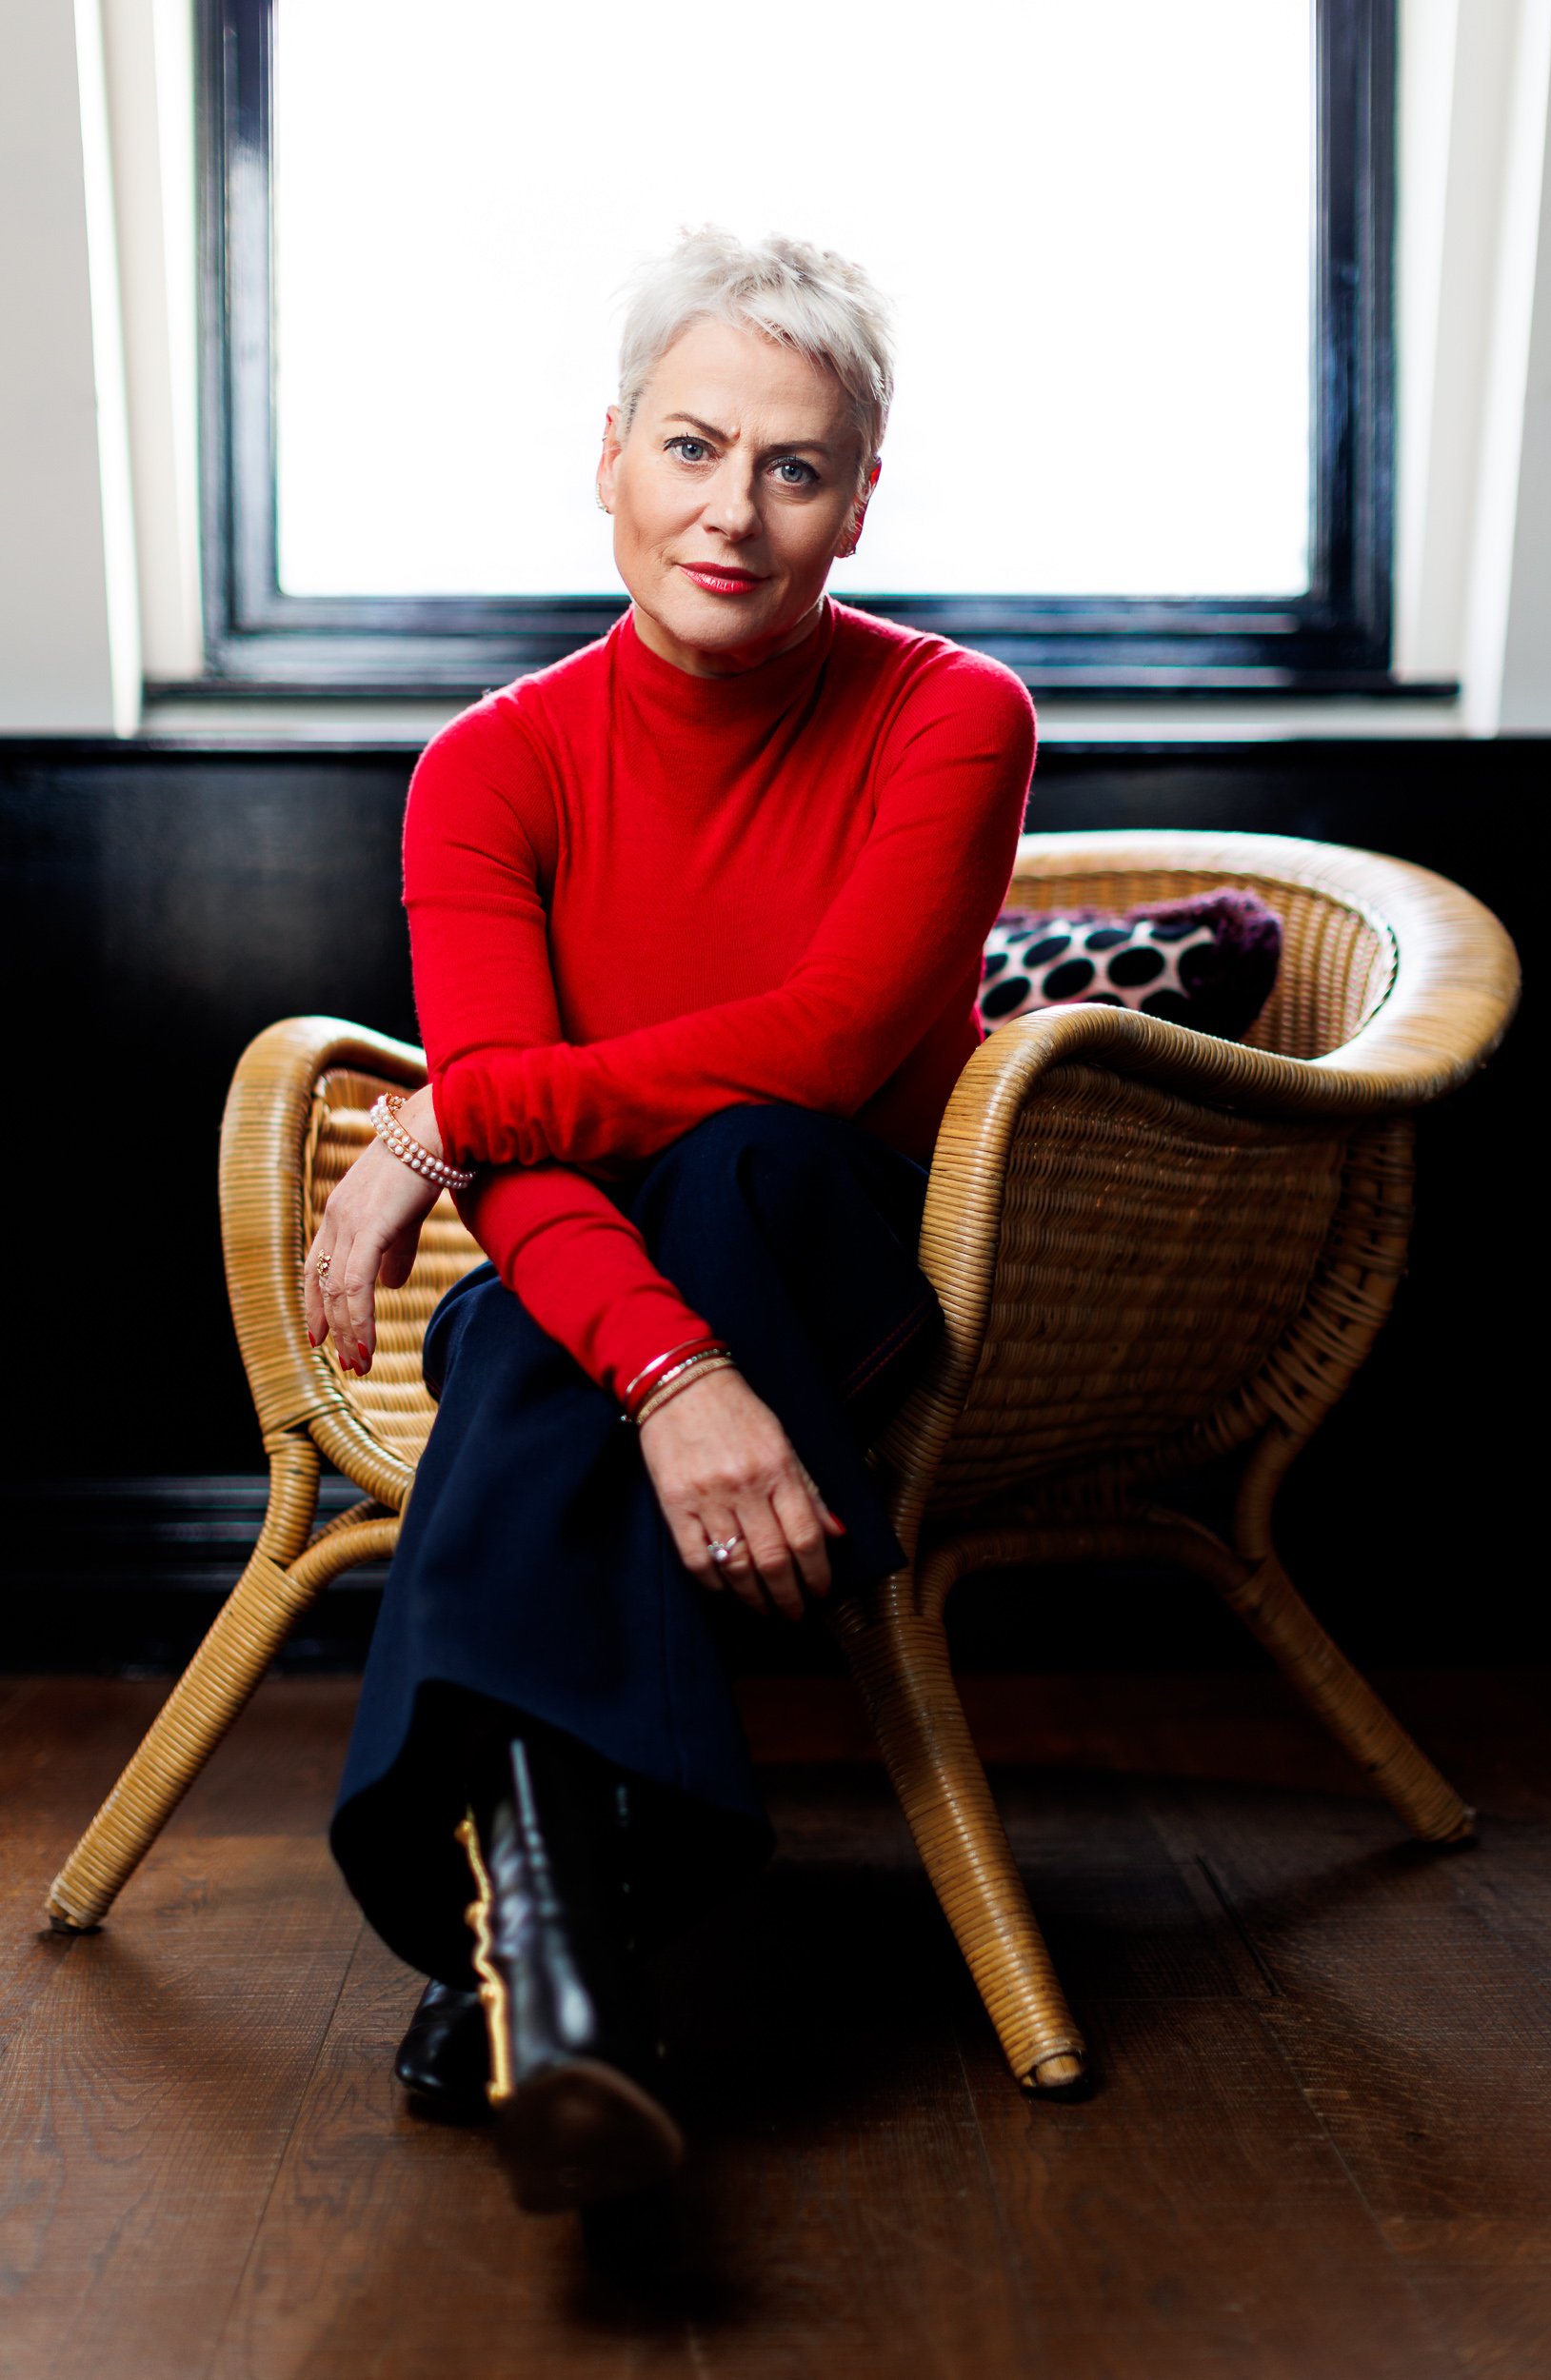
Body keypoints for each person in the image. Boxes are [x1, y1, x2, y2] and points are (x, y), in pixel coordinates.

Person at [303, 226, 1037, 2215]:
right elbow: (546, 1180)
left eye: (794, 466)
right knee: (543, 1312)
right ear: (612, 453)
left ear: (860, 498)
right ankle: (574, 1949)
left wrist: (444, 1118)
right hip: (599, 1289)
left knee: (729, 1164)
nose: (734, 510)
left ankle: (533, 1939)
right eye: (695, 447)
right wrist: (667, 1364)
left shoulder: (956, 714)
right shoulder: (488, 764)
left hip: (857, 1254)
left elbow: (828, 1045)